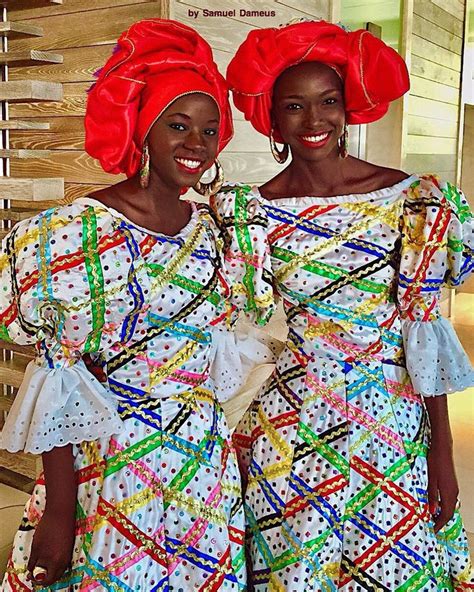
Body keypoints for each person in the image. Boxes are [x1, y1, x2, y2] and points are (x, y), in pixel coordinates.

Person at [212, 20, 474, 591]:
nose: (314, 120)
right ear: (272, 119)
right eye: (294, 106)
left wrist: (442, 457)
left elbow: (422, 335)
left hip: (391, 422)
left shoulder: (414, 200)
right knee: (294, 569)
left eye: (328, 101)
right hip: (291, 425)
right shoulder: (247, 212)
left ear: (349, 107)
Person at [0, 19, 247, 591]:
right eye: (178, 125)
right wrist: (60, 515)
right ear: (141, 128)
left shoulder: (212, 230)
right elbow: (58, 380)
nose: (196, 144)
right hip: (110, 456)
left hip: (201, 458)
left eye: (210, 131)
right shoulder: (73, 232)